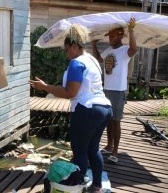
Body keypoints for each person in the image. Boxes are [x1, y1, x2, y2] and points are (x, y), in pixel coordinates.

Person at [29, 24, 112, 193]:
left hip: (86, 110)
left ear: (74, 46)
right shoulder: (93, 60)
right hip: (104, 108)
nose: (66, 54)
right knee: (93, 149)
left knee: (80, 152)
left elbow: (70, 93)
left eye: (67, 50)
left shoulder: (76, 63)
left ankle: (77, 188)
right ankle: (97, 186)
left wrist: (45, 87)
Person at [91, 18, 137, 164]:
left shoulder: (124, 51)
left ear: (120, 36)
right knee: (108, 120)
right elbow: (99, 59)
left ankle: (115, 150)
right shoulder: (109, 50)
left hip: (118, 90)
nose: (110, 39)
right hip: (107, 89)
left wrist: (131, 30)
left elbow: (134, 49)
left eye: (112, 37)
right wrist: (93, 45)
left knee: (116, 121)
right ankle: (109, 145)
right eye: (109, 37)